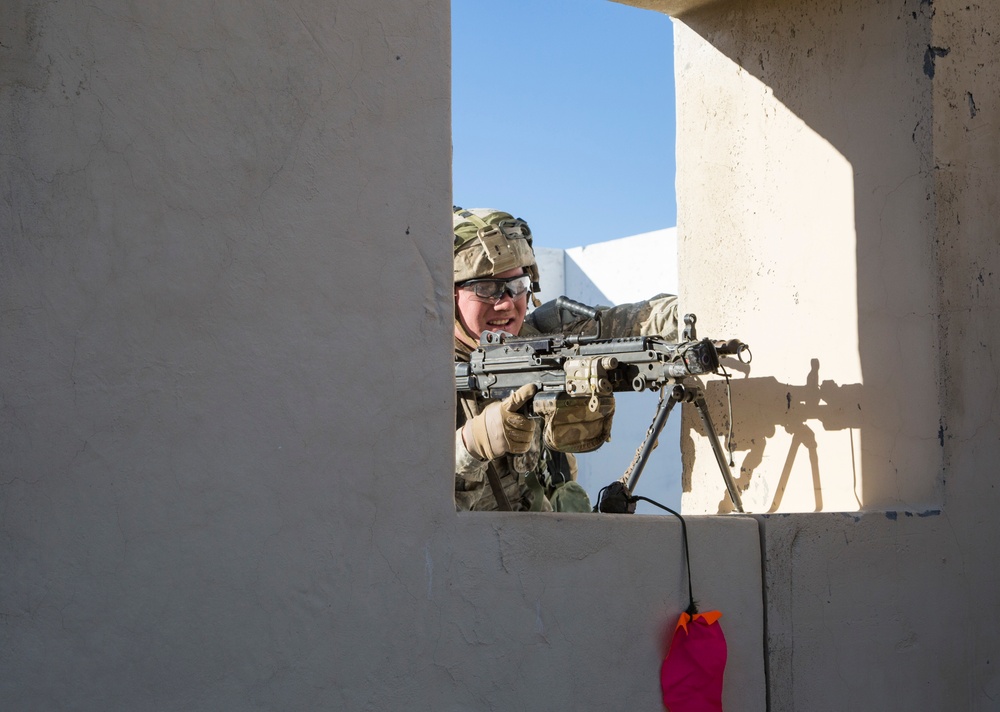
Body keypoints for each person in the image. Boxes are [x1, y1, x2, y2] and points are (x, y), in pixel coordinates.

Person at [453, 206, 680, 512]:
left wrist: (691, 314)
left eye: (516, 286)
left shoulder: (540, 339)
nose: (506, 304)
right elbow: (407, 513)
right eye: (485, 289)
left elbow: (632, 324)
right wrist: (471, 444)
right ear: (448, 295)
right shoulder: (417, 368)